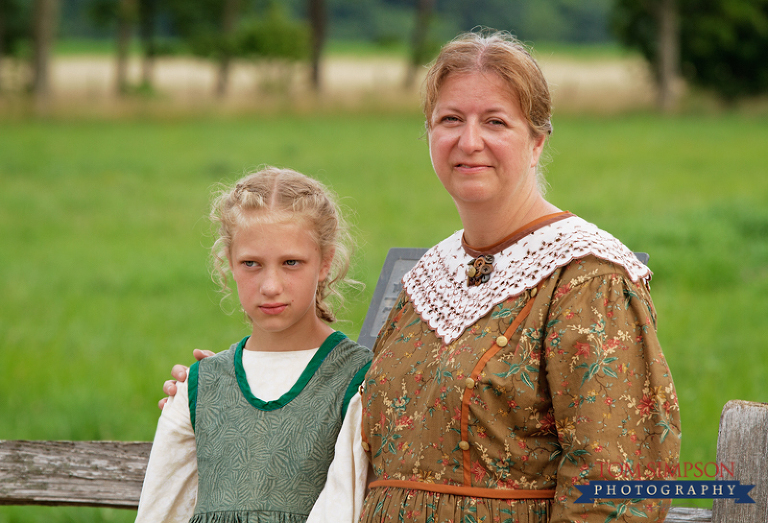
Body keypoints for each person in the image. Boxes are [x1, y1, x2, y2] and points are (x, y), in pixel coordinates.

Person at [164, 30, 681, 523]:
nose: (469, 141)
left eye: (496, 122)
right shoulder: (425, 281)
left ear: (537, 141)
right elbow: (354, 415)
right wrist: (241, 377)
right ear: (430, 134)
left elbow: (619, 485)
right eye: (450, 119)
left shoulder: (588, 279)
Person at [137, 166, 372, 523]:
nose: (270, 286)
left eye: (291, 262)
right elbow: (161, 511)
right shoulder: (200, 386)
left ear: (324, 263)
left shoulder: (359, 381)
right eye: (251, 264)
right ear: (228, 263)